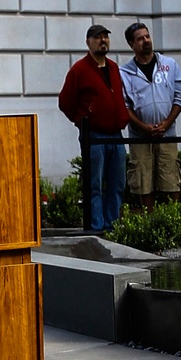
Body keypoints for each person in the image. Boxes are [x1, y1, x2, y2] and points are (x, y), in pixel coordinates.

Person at [57, 24, 130, 234]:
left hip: (116, 134)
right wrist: (82, 119)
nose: (103, 41)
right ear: (88, 42)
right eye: (97, 37)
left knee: (117, 183)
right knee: (95, 184)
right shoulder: (79, 70)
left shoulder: (114, 68)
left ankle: (112, 225)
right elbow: (65, 102)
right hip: (94, 135)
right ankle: (97, 227)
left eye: (105, 37)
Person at [119, 21, 181, 209]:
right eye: (140, 39)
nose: (146, 41)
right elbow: (124, 106)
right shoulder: (124, 73)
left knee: (170, 178)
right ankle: (149, 222)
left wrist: (167, 122)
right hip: (139, 137)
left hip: (167, 134)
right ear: (132, 45)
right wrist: (143, 127)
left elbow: (180, 95)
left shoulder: (169, 65)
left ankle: (173, 220)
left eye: (147, 36)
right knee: (143, 181)